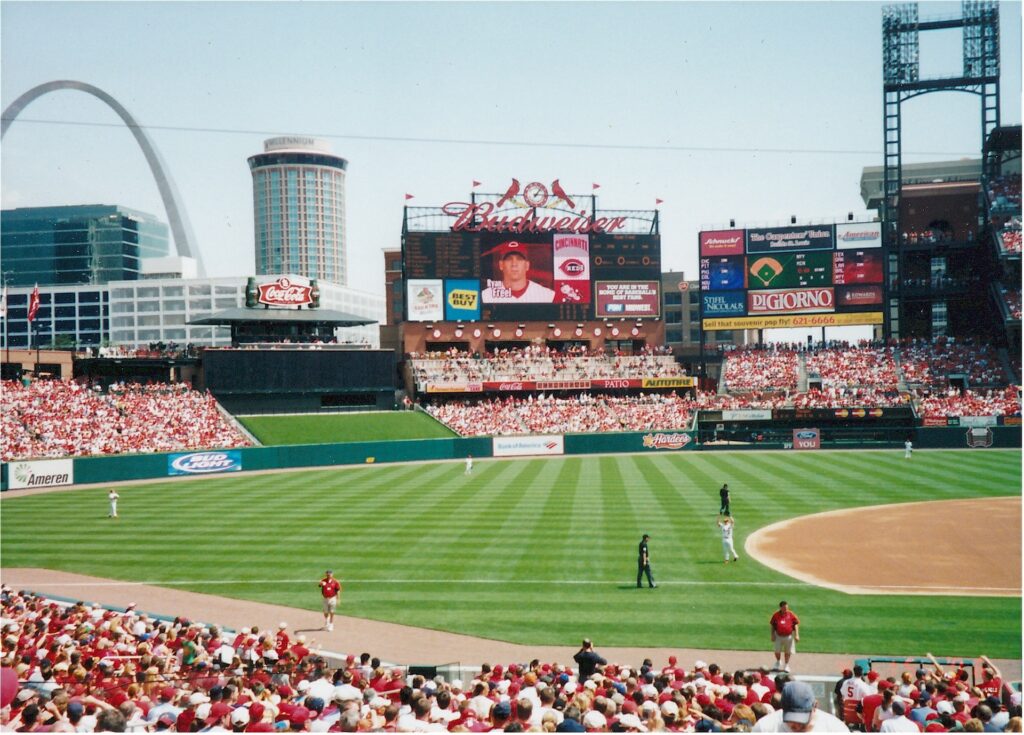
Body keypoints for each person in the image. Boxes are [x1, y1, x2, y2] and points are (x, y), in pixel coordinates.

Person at [751, 680, 847, 732]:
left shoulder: (835, 729)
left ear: (815, 707)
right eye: (791, 719)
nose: (796, 726)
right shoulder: (764, 728)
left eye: (802, 720)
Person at [481, 241, 555, 303]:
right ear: (501, 265)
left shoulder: (546, 295)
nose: (514, 264)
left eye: (519, 259)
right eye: (509, 259)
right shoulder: (486, 296)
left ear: (527, 265)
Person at [769, 600, 800, 672]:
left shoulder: (791, 614)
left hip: (788, 636)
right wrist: (772, 635)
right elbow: (772, 625)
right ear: (780, 607)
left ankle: (786, 665)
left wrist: (797, 635)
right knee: (777, 651)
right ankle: (778, 661)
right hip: (778, 636)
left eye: (787, 608)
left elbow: (796, 624)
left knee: (787, 652)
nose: (786, 609)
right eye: (784, 608)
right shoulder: (776, 615)